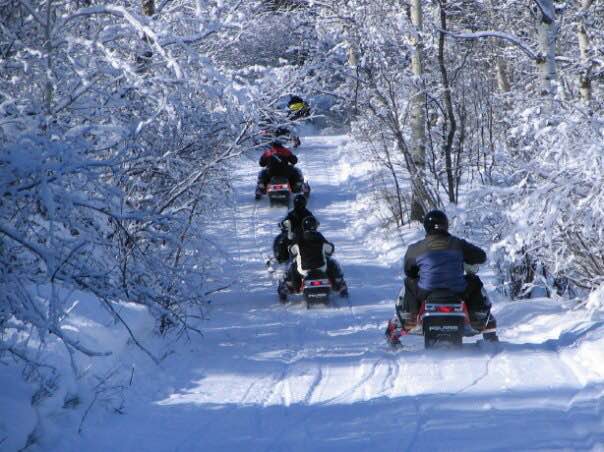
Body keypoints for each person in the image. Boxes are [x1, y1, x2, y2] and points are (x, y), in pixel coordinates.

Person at [386, 209, 498, 345]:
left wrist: (417, 274)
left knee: (409, 282)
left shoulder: (416, 248)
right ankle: (479, 318)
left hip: (426, 292)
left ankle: (410, 318)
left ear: (426, 226)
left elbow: (408, 271)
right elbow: (481, 256)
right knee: (474, 280)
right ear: (445, 225)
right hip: (457, 291)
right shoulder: (458, 244)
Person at [278, 216, 348, 298]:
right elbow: (330, 250)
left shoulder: (299, 238)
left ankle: (290, 288)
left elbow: (292, 252)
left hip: (304, 271)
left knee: (293, 265)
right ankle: (339, 285)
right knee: (331, 262)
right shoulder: (320, 237)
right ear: (315, 226)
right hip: (321, 268)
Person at [273, 194, 314, 263]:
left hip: (301, 234)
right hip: (294, 235)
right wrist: (283, 224)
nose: (299, 205)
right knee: (281, 240)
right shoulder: (293, 214)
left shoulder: (306, 214)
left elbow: (313, 221)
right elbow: (285, 221)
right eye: (298, 203)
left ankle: (281, 257)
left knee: (281, 240)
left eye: (299, 203)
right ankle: (281, 257)